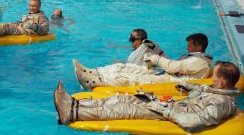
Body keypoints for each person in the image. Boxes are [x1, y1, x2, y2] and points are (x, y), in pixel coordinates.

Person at [54, 61, 241, 133]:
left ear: (222, 82)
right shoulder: (215, 91)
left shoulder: (222, 103)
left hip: (167, 113)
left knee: (124, 109)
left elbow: (194, 121)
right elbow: (199, 96)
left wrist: (166, 110)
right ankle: (76, 104)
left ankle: (70, 112)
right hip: (169, 105)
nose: (211, 78)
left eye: (214, 76)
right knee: (123, 99)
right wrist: (190, 87)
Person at [74, 33, 212, 89]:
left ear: (198, 46)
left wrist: (154, 57)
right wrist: (156, 53)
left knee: (131, 78)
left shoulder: (200, 62)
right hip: (165, 74)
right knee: (124, 67)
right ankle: (91, 72)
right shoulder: (194, 58)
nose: (187, 47)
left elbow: (173, 66)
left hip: (170, 81)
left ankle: (93, 81)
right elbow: (174, 65)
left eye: (190, 45)